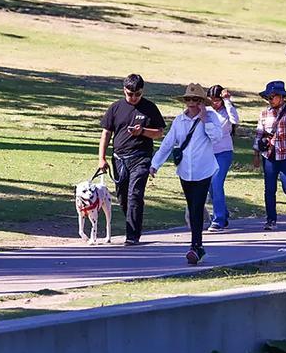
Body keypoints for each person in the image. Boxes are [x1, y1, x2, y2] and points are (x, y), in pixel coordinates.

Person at [150, 83, 223, 265]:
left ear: (202, 102)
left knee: (197, 207)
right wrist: (155, 164)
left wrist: (205, 119)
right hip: (185, 171)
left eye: (196, 100)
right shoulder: (179, 121)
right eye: (189, 99)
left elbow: (217, 138)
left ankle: (194, 246)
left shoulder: (211, 117)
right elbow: (167, 144)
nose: (192, 103)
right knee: (192, 208)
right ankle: (198, 247)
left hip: (204, 169)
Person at [98, 74, 165, 245]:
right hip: (119, 159)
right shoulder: (115, 108)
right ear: (124, 90)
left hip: (141, 158)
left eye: (138, 94)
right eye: (130, 94)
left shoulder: (150, 108)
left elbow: (159, 133)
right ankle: (132, 225)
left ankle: (132, 236)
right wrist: (101, 159)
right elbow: (106, 133)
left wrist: (142, 131)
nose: (134, 98)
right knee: (123, 197)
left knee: (135, 194)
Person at [252, 80, 286, 231]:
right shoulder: (264, 113)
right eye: (268, 97)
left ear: (281, 97)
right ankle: (271, 220)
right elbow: (259, 133)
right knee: (269, 189)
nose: (270, 100)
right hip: (269, 155)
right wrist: (256, 153)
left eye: (273, 96)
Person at [206, 84, 239, 233]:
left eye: (217, 100)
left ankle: (218, 219)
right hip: (208, 153)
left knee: (217, 182)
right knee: (210, 186)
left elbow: (235, 120)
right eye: (211, 100)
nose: (214, 103)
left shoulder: (227, 111)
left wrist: (227, 101)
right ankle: (224, 214)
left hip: (224, 152)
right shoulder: (206, 111)